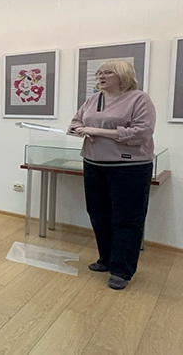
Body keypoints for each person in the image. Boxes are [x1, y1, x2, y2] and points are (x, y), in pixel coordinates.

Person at [68, 60, 156, 290]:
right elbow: (76, 122)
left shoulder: (139, 99)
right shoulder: (93, 99)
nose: (101, 76)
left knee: (126, 218)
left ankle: (121, 270)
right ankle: (106, 259)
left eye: (107, 72)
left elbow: (142, 132)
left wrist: (97, 131)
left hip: (129, 167)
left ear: (123, 75)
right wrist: (79, 129)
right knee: (99, 214)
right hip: (93, 163)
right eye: (99, 73)